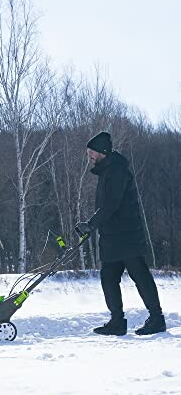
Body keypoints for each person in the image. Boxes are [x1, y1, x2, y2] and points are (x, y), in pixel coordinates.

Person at [79, 131, 166, 336]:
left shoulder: (117, 171)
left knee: (140, 276)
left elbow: (111, 204)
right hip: (111, 237)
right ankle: (117, 321)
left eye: (91, 152)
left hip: (127, 235)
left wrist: (91, 224)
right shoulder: (106, 171)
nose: (89, 155)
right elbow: (106, 207)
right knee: (108, 278)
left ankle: (157, 318)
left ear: (102, 152)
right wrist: (93, 226)